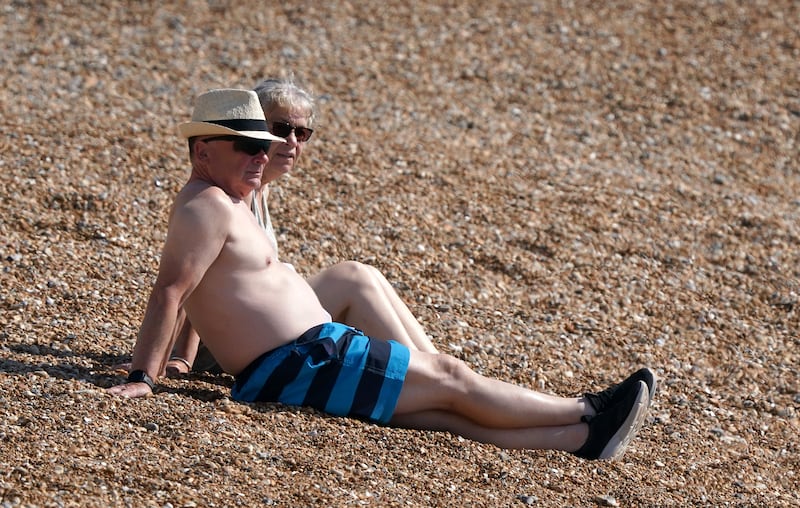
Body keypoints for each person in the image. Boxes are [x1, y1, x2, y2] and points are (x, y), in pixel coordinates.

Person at [107, 88, 656, 461]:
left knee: (442, 413)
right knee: (451, 380)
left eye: (265, 146)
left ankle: (579, 438)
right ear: (203, 150)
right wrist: (144, 377)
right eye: (249, 146)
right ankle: (588, 408)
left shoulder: (230, 197)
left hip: (305, 359)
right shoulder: (207, 205)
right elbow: (173, 289)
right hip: (306, 358)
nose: (263, 155)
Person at [162, 77, 436, 376]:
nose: (292, 142)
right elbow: (192, 280)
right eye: (281, 129)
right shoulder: (225, 195)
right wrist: (181, 358)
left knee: (365, 275)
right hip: (231, 342)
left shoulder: (257, 189)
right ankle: (432, 376)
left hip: (260, 324)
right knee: (354, 279)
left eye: (302, 133)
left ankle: (439, 366)